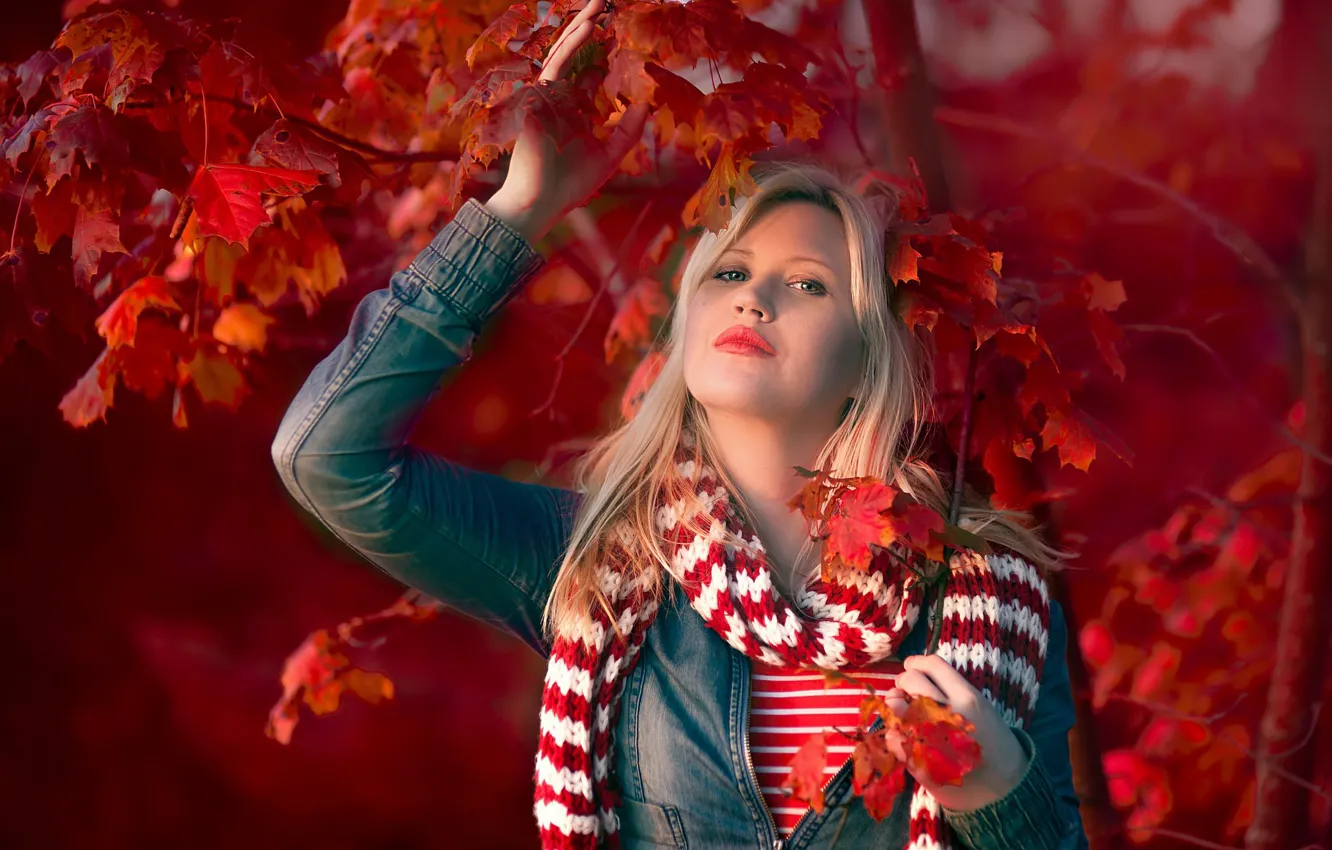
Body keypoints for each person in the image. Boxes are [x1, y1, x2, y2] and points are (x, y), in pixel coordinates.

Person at [271, 2, 1091, 848]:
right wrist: (518, 209)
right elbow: (328, 458)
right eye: (729, 272)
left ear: (866, 357)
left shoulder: (983, 597)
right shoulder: (592, 562)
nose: (754, 297)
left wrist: (996, 792)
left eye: (808, 284)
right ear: (687, 321)